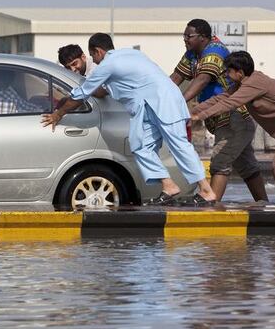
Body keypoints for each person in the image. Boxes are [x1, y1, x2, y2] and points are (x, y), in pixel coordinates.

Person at [42, 32, 217, 205]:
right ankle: (169, 186)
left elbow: (79, 96)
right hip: (148, 107)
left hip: (164, 102)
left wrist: (58, 114)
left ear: (98, 51)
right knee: (140, 145)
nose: (93, 61)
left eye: (93, 56)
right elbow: (105, 90)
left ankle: (206, 190)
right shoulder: (132, 54)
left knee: (179, 145)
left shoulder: (107, 65)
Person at [191, 51, 275, 205]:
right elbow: (221, 98)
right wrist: (192, 112)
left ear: (240, 72)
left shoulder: (255, 83)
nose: (226, 75)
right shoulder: (242, 84)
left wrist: (200, 116)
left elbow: (230, 104)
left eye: (228, 71)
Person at [171, 19, 267, 202]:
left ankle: (210, 205)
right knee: (247, 165)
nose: (185, 39)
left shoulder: (215, 51)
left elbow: (202, 80)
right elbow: (176, 77)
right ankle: (264, 206)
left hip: (234, 117)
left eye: (189, 36)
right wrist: (159, 97)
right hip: (224, 119)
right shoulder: (192, 54)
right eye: (184, 35)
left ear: (203, 37)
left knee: (220, 161)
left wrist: (177, 103)